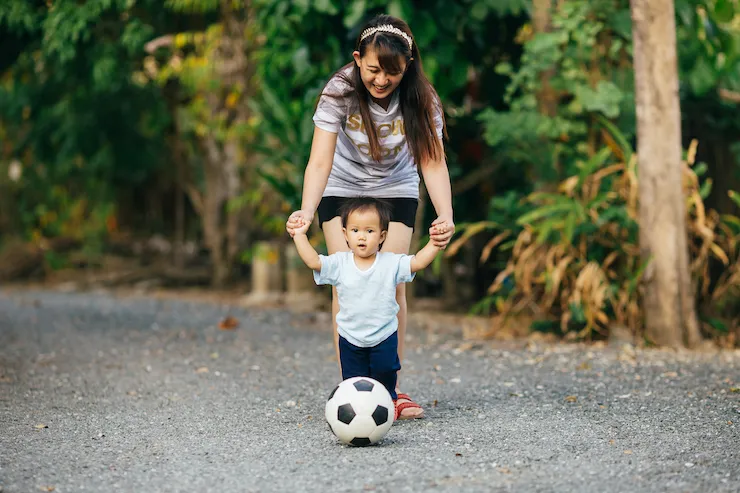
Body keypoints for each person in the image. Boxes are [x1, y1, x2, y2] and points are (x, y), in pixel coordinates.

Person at [285, 14, 455, 419]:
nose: (381, 80)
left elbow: (432, 162)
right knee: (345, 284)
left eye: (392, 72)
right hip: (341, 187)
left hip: (395, 188)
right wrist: (307, 211)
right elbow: (320, 159)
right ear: (358, 59)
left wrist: (446, 216)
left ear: (407, 67)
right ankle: (353, 387)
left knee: (391, 283)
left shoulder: (421, 99)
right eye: (373, 69)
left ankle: (390, 390)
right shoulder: (340, 90)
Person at [289, 197, 445, 418]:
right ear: (345, 234)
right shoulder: (339, 263)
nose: (361, 236)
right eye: (355, 230)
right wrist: (299, 236)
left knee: (386, 373)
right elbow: (314, 261)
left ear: (382, 236)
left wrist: (435, 244)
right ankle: (359, 415)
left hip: (384, 335)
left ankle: (388, 404)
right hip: (350, 337)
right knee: (354, 384)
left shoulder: (390, 263)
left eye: (370, 231)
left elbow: (417, 262)